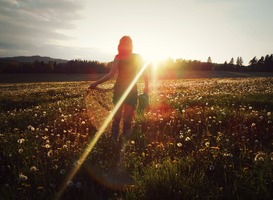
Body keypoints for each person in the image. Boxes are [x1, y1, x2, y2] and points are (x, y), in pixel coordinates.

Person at [88, 36, 149, 141]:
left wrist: (147, 86)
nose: (127, 45)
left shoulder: (137, 57)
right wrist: (96, 83)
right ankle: (114, 139)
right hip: (120, 89)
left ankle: (124, 140)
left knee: (127, 118)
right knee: (117, 117)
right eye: (125, 43)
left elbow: (145, 72)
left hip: (131, 90)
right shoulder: (118, 57)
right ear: (121, 45)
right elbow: (111, 74)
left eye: (128, 43)